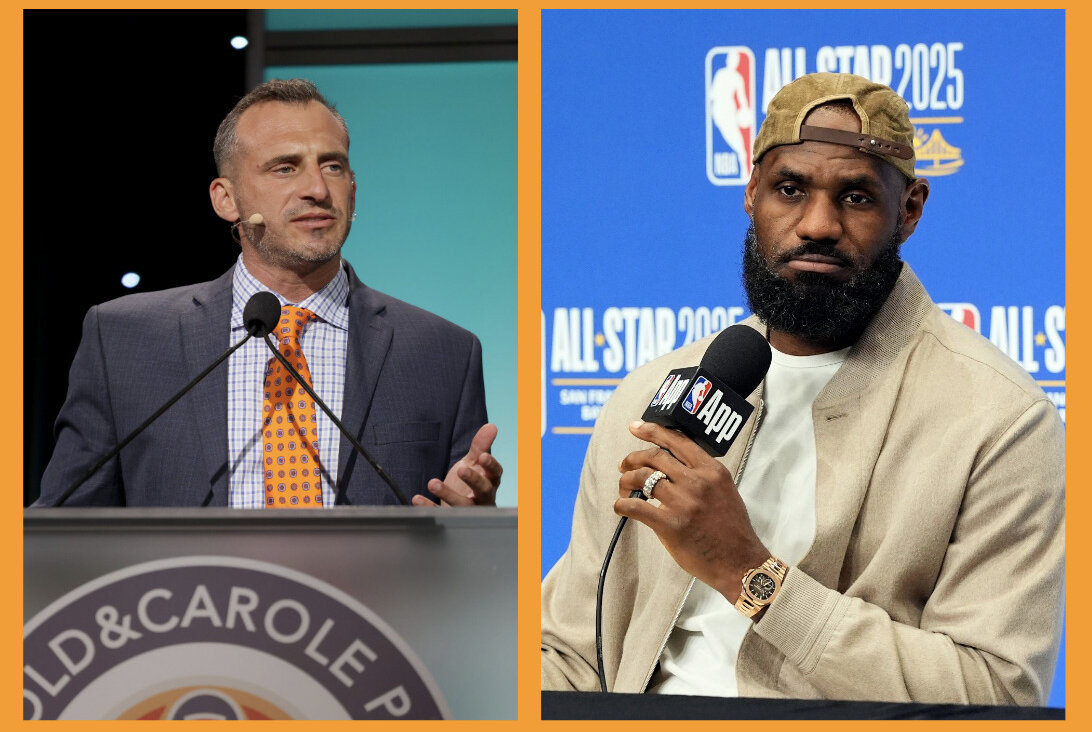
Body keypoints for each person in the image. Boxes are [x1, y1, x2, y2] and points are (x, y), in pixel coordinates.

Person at [541, 73, 1064, 705]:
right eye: (790, 189)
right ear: (752, 193)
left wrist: (747, 571)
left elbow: (995, 695)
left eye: (857, 197)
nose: (817, 224)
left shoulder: (1002, 421)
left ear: (911, 210)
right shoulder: (650, 395)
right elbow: (569, 654)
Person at [37, 78, 502, 508]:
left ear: (353, 188)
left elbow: (464, 544)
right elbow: (63, 529)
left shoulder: (443, 353)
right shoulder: (124, 341)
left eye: (333, 166)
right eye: (285, 168)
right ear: (226, 199)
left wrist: (474, 526)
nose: (317, 189)